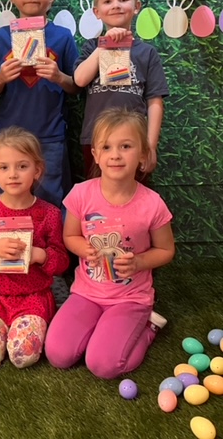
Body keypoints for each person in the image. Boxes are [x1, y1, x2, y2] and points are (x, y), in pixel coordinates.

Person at [45, 108, 175, 379]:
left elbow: (166, 250)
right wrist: (83, 248)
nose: (115, 154)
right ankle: (102, 329)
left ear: (142, 155)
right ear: (95, 154)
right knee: (58, 354)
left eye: (125, 146)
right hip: (86, 293)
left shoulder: (152, 204)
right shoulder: (81, 194)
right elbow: (70, 236)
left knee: (103, 365)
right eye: (106, 147)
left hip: (130, 298)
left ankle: (148, 328)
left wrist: (139, 262)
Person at [0, 126, 70, 370]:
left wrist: (40, 255)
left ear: (37, 170)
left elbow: (62, 262)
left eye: (22, 166)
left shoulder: (50, 214)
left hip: (33, 299)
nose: (13, 174)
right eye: (4, 167)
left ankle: (21, 329)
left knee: (24, 356)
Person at [0, 0, 79, 207]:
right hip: (10, 136)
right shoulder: (2, 37)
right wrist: (1, 78)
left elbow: (76, 86)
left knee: (50, 198)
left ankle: (50, 236)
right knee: (11, 199)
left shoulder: (62, 37)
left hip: (50, 135)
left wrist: (58, 76)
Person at [74, 0, 168, 179]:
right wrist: (105, 45)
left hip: (133, 140)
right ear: (97, 12)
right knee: (97, 194)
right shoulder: (91, 47)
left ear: (136, 6)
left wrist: (150, 146)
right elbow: (79, 79)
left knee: (134, 194)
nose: (116, 5)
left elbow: (155, 101)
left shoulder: (147, 53)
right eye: (108, 1)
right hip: (97, 140)